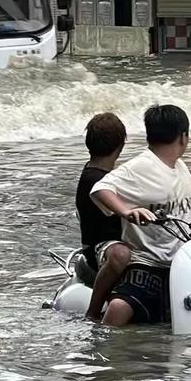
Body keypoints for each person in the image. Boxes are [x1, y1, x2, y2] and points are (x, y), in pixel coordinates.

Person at [91, 104, 191, 327]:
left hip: (184, 262)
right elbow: (100, 188)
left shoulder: (180, 167)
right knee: (119, 308)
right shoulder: (140, 167)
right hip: (148, 263)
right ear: (183, 137)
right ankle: (97, 341)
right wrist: (127, 212)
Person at [75, 112, 133, 321]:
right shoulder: (100, 183)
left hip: (100, 249)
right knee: (121, 253)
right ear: (120, 147)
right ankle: (93, 312)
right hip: (99, 253)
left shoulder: (93, 174)